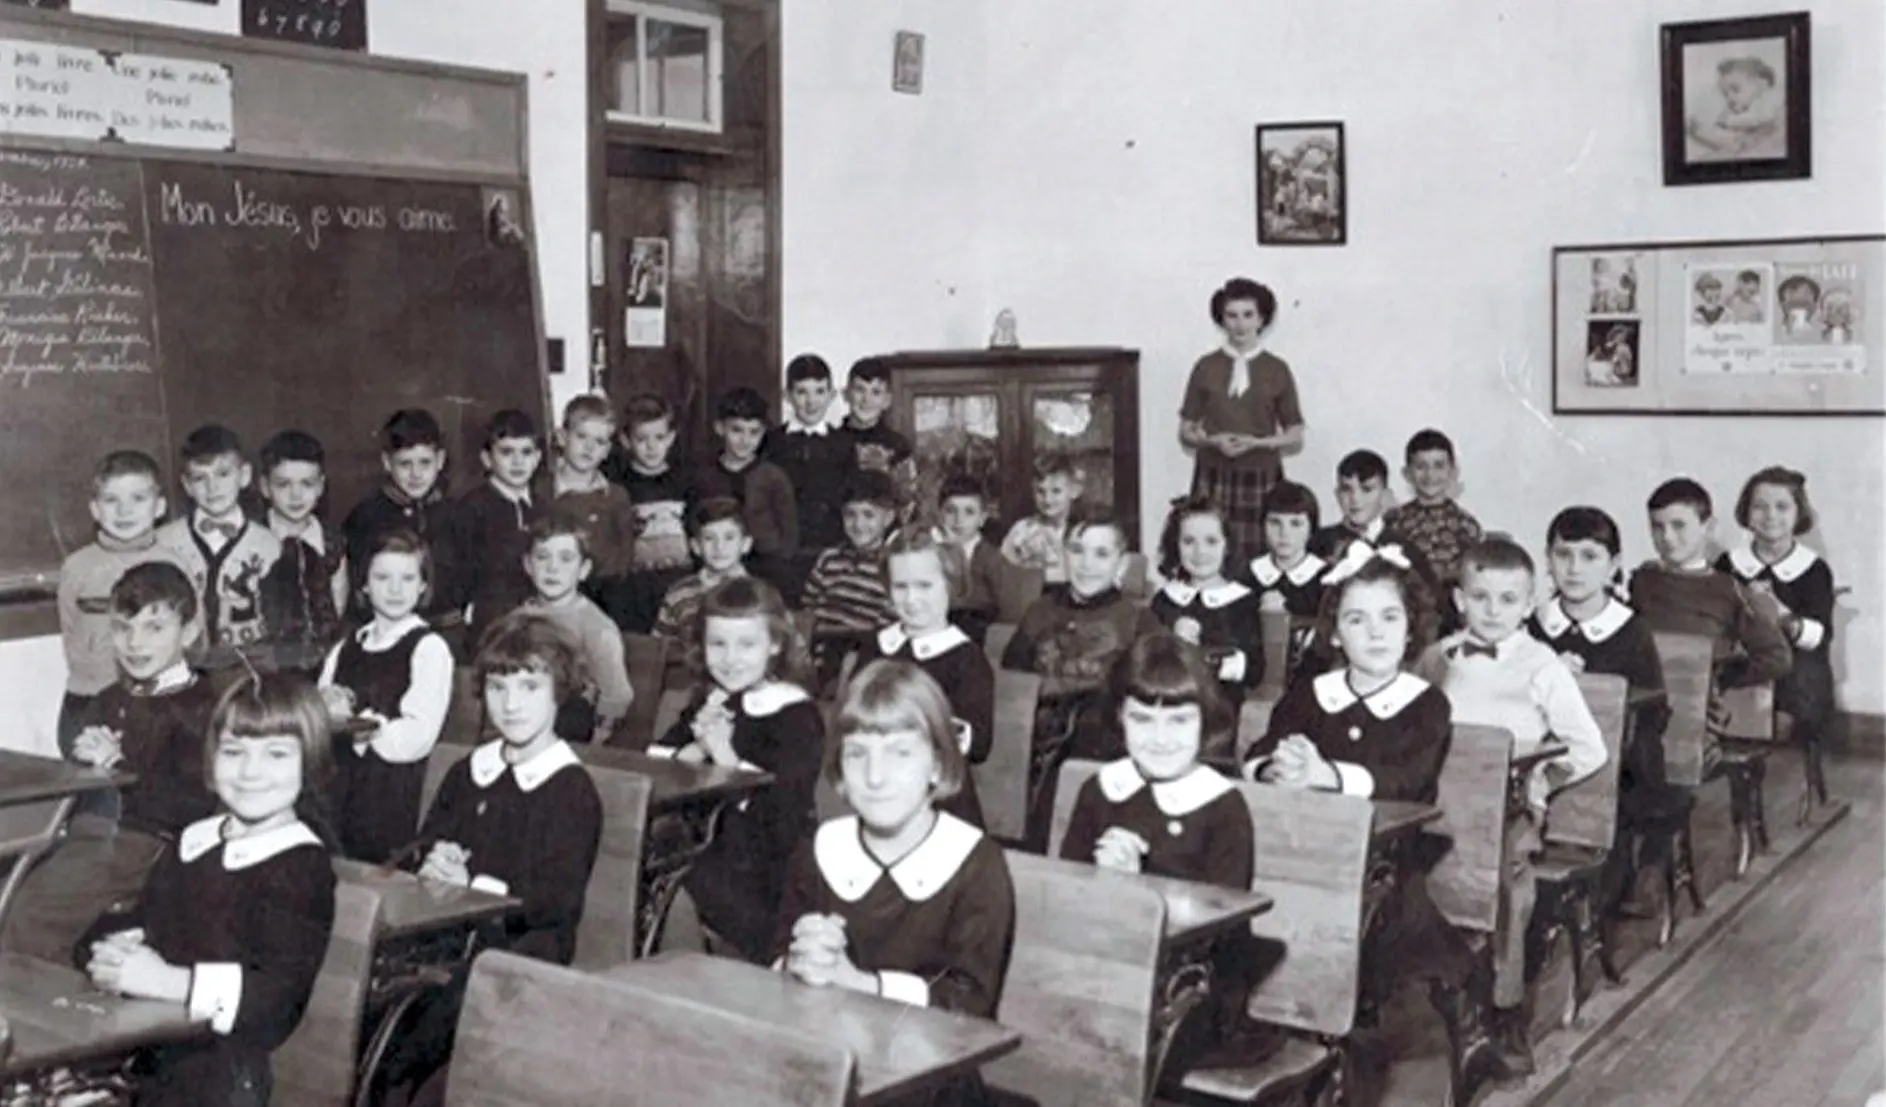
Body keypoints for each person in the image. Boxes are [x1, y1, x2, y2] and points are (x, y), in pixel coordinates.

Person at [1244, 555, 1513, 1101]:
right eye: (1357, 619)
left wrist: (1326, 775)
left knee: (1363, 952)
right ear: (1336, 633)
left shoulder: (1426, 705)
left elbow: (1408, 782)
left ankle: (1350, 1070)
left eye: (1389, 618)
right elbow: (1261, 750)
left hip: (1388, 873)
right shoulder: (1310, 694)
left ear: (1411, 627)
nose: (1374, 632)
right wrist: (1279, 766)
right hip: (1301, 859)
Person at [79, 672, 338, 1107]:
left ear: (309, 763)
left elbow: (275, 1000)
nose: (251, 772)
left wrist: (167, 981)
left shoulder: (301, 864)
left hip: (224, 1073)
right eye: (233, 751)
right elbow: (141, 920)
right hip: (150, 1043)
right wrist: (108, 947)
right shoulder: (194, 839)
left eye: (276, 754)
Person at [380, 614, 605, 1106]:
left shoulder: (570, 788)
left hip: (522, 946)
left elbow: (556, 901)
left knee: (413, 1023)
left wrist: (475, 887)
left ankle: (394, 1085)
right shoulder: (470, 769)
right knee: (372, 989)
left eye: (529, 686)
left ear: (558, 692)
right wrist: (431, 862)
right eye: (499, 687)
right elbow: (424, 843)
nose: (512, 704)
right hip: (450, 932)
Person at [774, 660, 1014, 1107]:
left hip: (933, 1082)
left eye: (901, 753)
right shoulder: (821, 848)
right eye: (857, 753)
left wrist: (860, 983)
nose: (876, 776)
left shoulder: (975, 862)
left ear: (939, 767)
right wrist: (799, 959)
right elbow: (774, 960)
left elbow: (970, 1007)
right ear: (840, 773)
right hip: (829, 1063)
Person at [1414, 537, 1607, 1076]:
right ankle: (1436, 987)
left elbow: (1588, 748)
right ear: (1459, 599)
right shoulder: (1437, 658)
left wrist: (1541, 782)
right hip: (1441, 806)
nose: (1493, 611)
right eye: (1480, 597)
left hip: (1510, 811)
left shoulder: (1542, 665)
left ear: (1529, 603)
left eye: (1507, 599)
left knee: (1505, 892)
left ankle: (1504, 1012)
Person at [1060, 632, 1264, 1075]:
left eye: (1178, 722)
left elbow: (1221, 930)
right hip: (1106, 968)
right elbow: (1064, 894)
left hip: (1193, 989)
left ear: (1205, 723)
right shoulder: (1101, 789)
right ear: (1119, 719)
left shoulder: (1222, 806)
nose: (1159, 738)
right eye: (1142, 719)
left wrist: (1136, 886)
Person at [4, 562, 218, 962]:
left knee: (31, 915)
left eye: (154, 628)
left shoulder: (203, 705)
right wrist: (85, 760)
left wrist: (117, 764)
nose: (135, 643)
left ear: (188, 633)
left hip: (152, 845)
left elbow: (191, 805)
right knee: (9, 883)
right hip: (90, 834)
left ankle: (43, 1011)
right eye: (123, 627)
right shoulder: (106, 699)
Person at [652, 578, 824, 962]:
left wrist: (725, 755)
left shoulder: (795, 714)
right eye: (718, 644)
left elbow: (780, 819)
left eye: (747, 645)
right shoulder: (712, 698)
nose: (730, 658)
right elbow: (655, 757)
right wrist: (697, 745)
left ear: (775, 645)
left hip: (767, 869)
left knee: (671, 885)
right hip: (705, 847)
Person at [1528, 506, 1671, 912]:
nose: (1574, 569)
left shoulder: (1631, 631)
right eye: (1563, 555)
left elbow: (1655, 712)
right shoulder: (1536, 625)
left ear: (1613, 567)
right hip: (1550, 755)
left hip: (1618, 764)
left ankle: (1635, 868)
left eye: (1589, 557)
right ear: (1548, 561)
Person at [1001, 510, 1161, 848]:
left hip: (1099, 744)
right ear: (1063, 554)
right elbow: (1013, 680)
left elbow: (1149, 688)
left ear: (1121, 565)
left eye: (1101, 554)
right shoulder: (1040, 611)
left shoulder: (1136, 619)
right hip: (1035, 737)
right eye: (1077, 550)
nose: (1087, 563)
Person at [1631, 477, 1792, 767]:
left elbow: (1776, 656)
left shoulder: (1728, 590)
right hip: (1640, 705)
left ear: (1708, 527)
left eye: (1679, 525)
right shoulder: (1641, 581)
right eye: (1657, 526)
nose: (1666, 537)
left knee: (1655, 763)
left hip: (1695, 713)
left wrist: (1716, 675)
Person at [317, 530, 454, 862]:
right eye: (382, 578)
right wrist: (323, 703)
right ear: (364, 584)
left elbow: (416, 737)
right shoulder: (347, 646)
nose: (395, 590)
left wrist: (363, 724)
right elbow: (319, 711)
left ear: (423, 585)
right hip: (336, 787)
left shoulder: (428, 648)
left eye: (407, 578)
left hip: (387, 794)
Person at [853, 528, 995, 828]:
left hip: (941, 802)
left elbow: (979, 742)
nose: (912, 598)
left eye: (924, 586)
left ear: (951, 585)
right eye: (900, 587)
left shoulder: (965, 658)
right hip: (876, 788)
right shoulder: (876, 646)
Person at [57, 450, 194, 753]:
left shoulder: (176, 565)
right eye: (111, 501)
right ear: (94, 509)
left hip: (157, 705)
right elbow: (72, 634)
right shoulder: (77, 567)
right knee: (95, 795)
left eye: (138, 499)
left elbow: (192, 640)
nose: (124, 511)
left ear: (159, 507)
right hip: (89, 702)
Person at [1717, 467, 1837, 813]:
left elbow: (1818, 637)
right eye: (1760, 506)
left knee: (1779, 715)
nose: (1770, 516)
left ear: (1798, 513)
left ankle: (1759, 797)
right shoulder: (1730, 563)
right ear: (1746, 512)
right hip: (1745, 666)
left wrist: (1780, 615)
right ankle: (1739, 801)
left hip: (1796, 674)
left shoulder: (1813, 569)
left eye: (1782, 507)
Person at [1178, 277, 1306, 565]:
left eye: (1248, 315)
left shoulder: (1277, 369)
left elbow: (1295, 433)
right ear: (1221, 320)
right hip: (1213, 474)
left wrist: (1257, 443)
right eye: (1232, 316)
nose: (1240, 325)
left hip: (1261, 474)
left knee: (1260, 556)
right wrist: (1212, 441)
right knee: (1210, 550)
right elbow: (1185, 430)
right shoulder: (1205, 366)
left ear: (1262, 319)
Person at [154, 424, 281, 680]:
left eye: (223, 474)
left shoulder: (269, 544)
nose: (213, 488)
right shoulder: (164, 542)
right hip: (182, 671)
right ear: (187, 486)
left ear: (244, 476)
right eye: (200, 478)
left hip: (245, 672)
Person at [341, 409, 465, 647]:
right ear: (387, 462)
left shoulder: (458, 513)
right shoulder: (366, 517)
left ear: (440, 460)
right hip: (390, 635)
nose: (416, 474)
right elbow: (358, 585)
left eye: (425, 462)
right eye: (405, 463)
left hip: (449, 634)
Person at [516, 513, 635, 744]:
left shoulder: (596, 627)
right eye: (542, 557)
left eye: (566, 559)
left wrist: (599, 737)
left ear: (583, 569)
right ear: (528, 564)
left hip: (572, 729)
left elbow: (617, 694)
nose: (552, 568)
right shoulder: (516, 618)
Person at [1147, 495, 1263, 729]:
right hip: (1168, 706)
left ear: (1227, 545)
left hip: (1220, 709)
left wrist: (1209, 657)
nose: (1200, 552)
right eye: (1189, 541)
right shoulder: (1165, 600)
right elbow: (1148, 661)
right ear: (1175, 545)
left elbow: (1254, 669)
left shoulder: (1242, 601)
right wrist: (1172, 640)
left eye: (1211, 541)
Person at [1311, 449, 1448, 645]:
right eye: (1346, 489)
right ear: (1336, 494)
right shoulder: (1318, 544)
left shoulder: (1405, 551)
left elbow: (1432, 611)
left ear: (1385, 494)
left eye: (1366, 489)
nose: (1355, 499)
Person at [257, 430, 349, 675]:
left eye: (306, 484)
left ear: (321, 486)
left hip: (322, 667)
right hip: (267, 670)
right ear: (265, 487)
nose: (296, 495)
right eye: (283, 484)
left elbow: (337, 607)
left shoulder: (333, 543)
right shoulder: (251, 541)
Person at [603, 393, 693, 633]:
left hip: (679, 580)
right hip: (634, 587)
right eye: (642, 439)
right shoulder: (618, 485)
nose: (652, 447)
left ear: (671, 438)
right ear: (625, 440)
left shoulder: (686, 481)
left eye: (659, 437)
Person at [803, 471, 900, 690]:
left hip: (866, 654)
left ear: (888, 518)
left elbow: (887, 626)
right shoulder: (829, 559)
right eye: (850, 515)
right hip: (823, 651)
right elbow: (809, 610)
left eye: (868, 515)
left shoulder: (893, 565)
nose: (858, 524)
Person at [455, 409, 546, 642]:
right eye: (506, 452)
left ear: (537, 459)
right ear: (487, 459)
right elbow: (462, 572)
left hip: (538, 617)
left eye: (526, 452)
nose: (518, 462)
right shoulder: (471, 508)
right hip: (489, 621)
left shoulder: (544, 509)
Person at [695, 386, 799, 585]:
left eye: (754, 432)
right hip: (716, 565)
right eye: (736, 430)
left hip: (767, 569)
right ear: (719, 428)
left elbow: (789, 533)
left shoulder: (773, 476)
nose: (745, 440)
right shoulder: (703, 476)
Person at [551, 394, 638, 629]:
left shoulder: (616, 497)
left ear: (608, 450)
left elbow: (624, 558)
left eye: (599, 442)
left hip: (605, 599)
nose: (589, 448)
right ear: (561, 437)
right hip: (553, 594)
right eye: (581, 437)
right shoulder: (543, 492)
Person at [767, 353, 848, 603]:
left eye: (819, 392)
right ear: (787, 396)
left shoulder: (843, 443)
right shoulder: (772, 442)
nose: (811, 402)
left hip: (830, 550)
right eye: (802, 392)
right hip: (782, 554)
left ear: (831, 395)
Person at [1245, 480, 1330, 687]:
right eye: (1275, 523)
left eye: (1296, 524)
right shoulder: (1247, 575)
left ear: (1311, 528)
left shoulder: (1326, 579)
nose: (1284, 534)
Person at [1384, 428, 1484, 590]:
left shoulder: (1466, 525)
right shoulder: (1394, 522)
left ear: (1453, 471)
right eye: (1421, 466)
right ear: (1407, 473)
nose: (1430, 474)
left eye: (1439, 466)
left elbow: (1477, 579)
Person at [831, 357, 917, 516]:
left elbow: (908, 499)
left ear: (887, 400)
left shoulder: (898, 446)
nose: (866, 400)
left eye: (876, 392)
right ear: (846, 394)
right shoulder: (830, 442)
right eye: (859, 390)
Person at [934, 473, 1002, 645]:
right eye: (951, 511)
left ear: (982, 518)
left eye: (969, 512)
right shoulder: (931, 550)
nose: (959, 520)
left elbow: (1001, 601)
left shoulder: (989, 556)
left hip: (973, 620)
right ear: (940, 514)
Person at [999, 454, 1083, 585]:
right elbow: (1001, 573)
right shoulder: (1022, 530)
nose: (1047, 499)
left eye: (1056, 491)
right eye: (1040, 491)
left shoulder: (1083, 533)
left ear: (1075, 491)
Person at [1688, 55, 1783, 159]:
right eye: (1725, 94)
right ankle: (1699, 132)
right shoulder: (1742, 109)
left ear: (1761, 84)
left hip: (1767, 138)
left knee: (1736, 143)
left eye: (1735, 89)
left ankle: (1700, 133)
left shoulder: (1769, 97)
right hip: (1751, 140)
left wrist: (1730, 121)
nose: (1730, 98)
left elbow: (1762, 118)